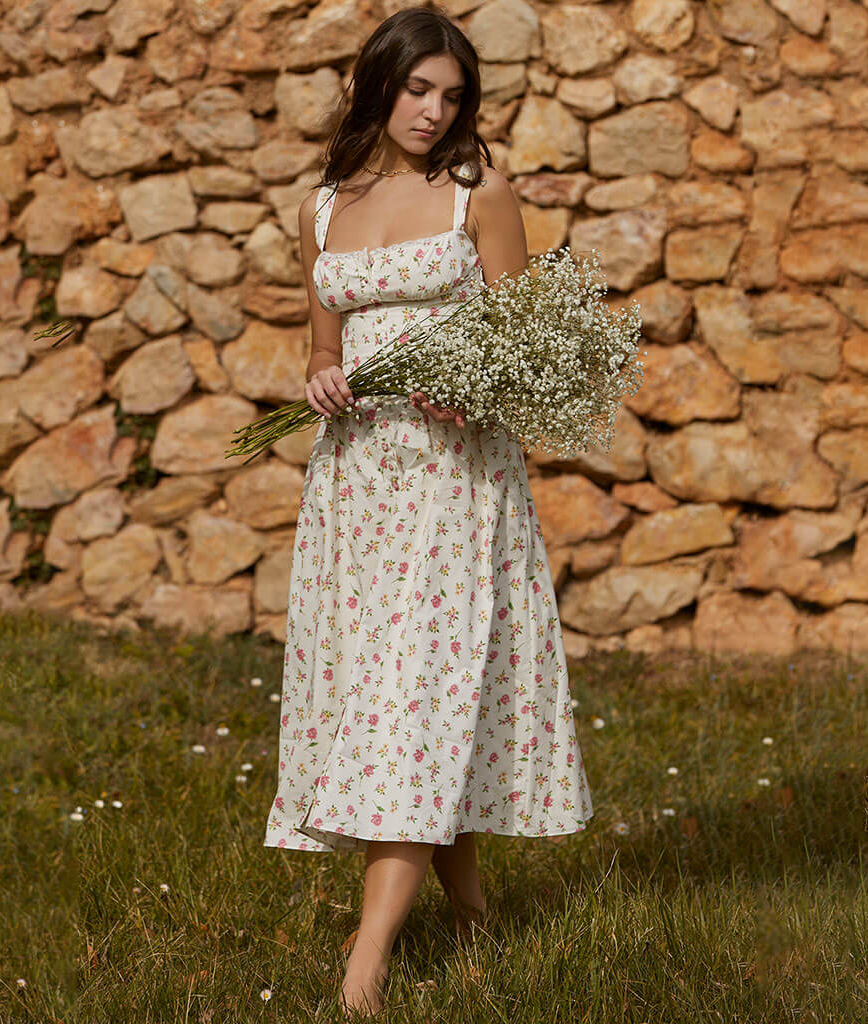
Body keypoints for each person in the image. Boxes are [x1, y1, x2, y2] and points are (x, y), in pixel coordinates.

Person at [262, 5, 594, 1016]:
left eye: (451, 96)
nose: (433, 111)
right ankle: (473, 921)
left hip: (453, 484)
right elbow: (324, 350)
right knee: (395, 700)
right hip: (357, 485)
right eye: (417, 90)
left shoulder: (477, 190)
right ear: (378, 84)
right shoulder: (326, 203)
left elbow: (528, 347)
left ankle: (363, 973)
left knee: (413, 698)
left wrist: (479, 390)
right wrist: (323, 381)